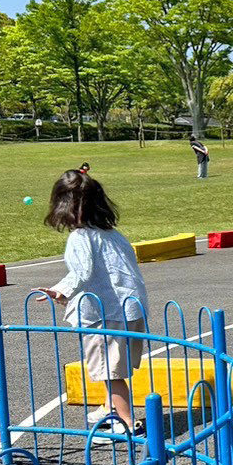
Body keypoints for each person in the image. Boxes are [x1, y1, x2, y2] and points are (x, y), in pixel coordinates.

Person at [34, 170, 150, 440]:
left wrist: (59, 289)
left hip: (106, 313)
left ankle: (127, 423)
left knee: (110, 372)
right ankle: (110, 407)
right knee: (115, 367)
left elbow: (82, 273)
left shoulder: (81, 238)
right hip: (130, 308)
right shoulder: (112, 234)